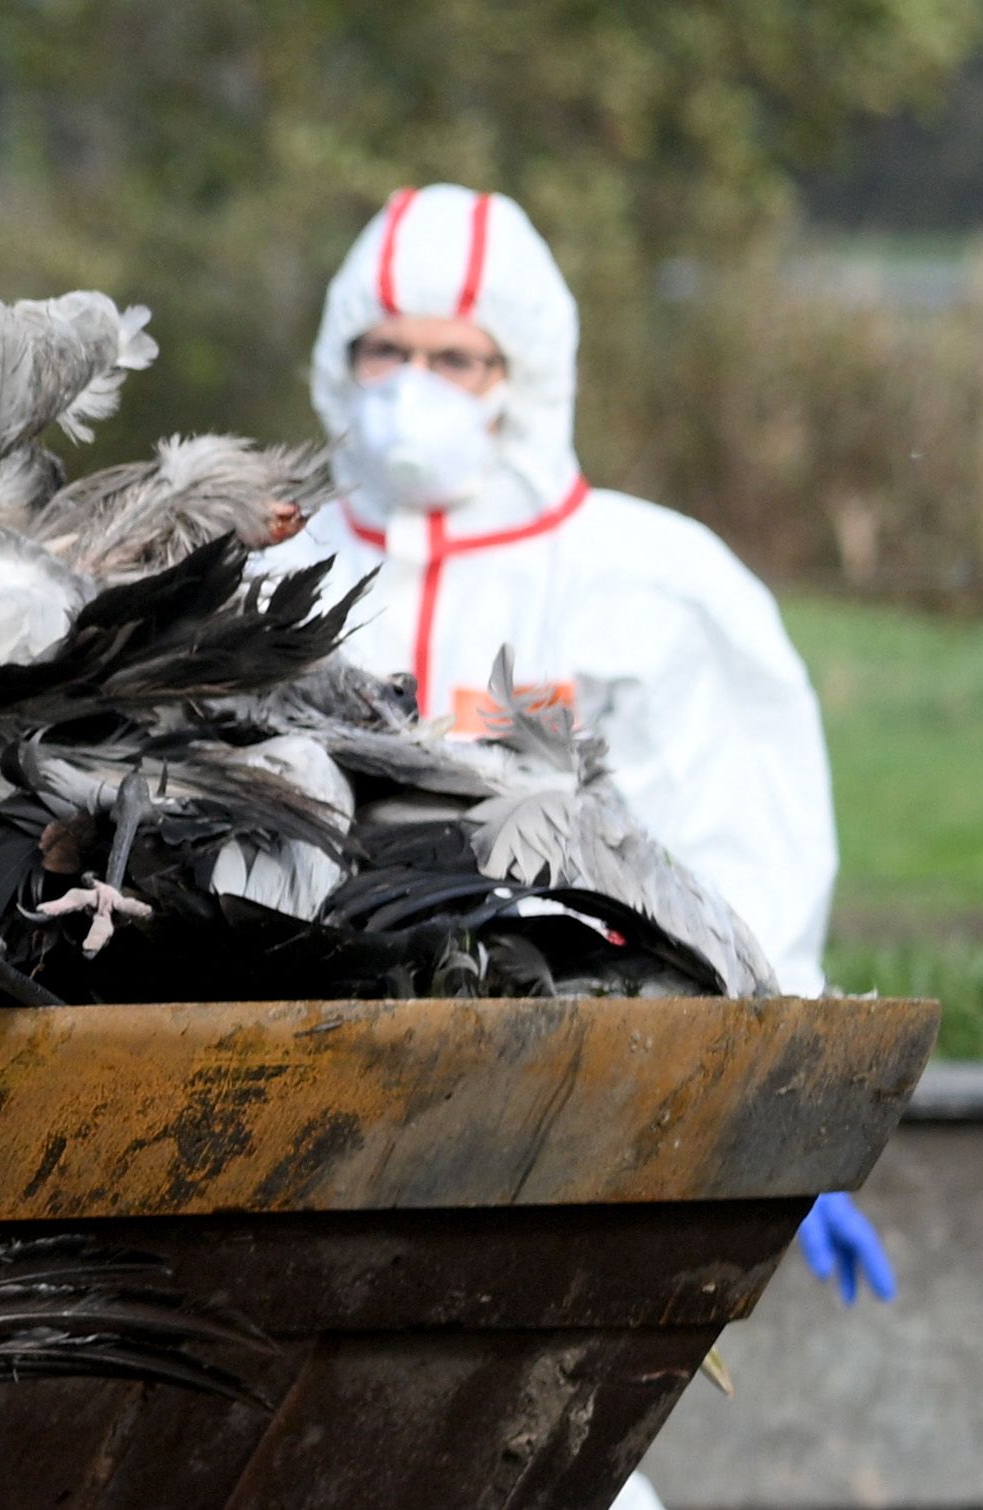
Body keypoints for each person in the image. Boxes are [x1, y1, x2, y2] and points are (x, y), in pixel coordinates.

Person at [274, 181, 896, 1510]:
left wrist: (775, 1102)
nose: (413, 384)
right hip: (293, 1114)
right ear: (340, 360)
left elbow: (733, 850)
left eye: (456, 357)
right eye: (386, 349)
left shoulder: (650, 587)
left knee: (527, 1445)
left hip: (555, 1114)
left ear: (524, 372)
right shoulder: (267, 575)